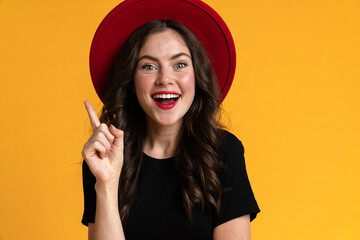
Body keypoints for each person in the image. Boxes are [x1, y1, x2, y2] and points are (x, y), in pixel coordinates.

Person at [81, 1, 260, 239]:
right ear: (131, 82)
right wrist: (106, 183)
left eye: (180, 64)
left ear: (198, 77)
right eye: (149, 66)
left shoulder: (225, 152)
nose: (165, 79)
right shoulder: (104, 156)